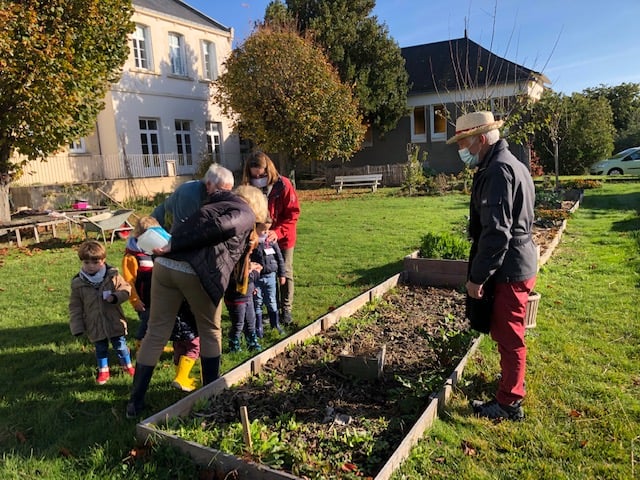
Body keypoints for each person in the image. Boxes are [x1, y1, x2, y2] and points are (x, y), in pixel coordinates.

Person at [126, 185, 268, 418]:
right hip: (195, 271)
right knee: (210, 330)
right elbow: (222, 229)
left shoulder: (213, 203)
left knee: (155, 332)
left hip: (164, 266)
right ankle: (211, 395)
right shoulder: (244, 214)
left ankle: (135, 401)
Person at [447, 111, 537, 421]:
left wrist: (478, 278)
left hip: (510, 266)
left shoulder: (499, 170)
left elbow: (497, 232)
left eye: (465, 143)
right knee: (506, 331)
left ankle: (510, 402)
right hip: (518, 259)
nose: (463, 150)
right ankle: (511, 384)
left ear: (482, 139)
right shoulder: (514, 164)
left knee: (510, 335)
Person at [122, 215, 199, 392]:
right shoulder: (133, 255)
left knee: (171, 332)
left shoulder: (158, 250)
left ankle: (175, 370)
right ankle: (142, 352)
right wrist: (135, 300)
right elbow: (129, 280)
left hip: (165, 299)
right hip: (146, 300)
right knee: (147, 326)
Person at [242, 152, 300, 326]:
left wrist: (278, 232)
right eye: (254, 176)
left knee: (284, 272)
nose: (258, 178)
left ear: (269, 169)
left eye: (261, 175)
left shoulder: (284, 185)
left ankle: (286, 310)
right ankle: (270, 309)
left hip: (282, 238)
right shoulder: (248, 187)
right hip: (257, 238)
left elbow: (293, 214)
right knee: (263, 272)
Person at [69, 240, 133, 385]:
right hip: (94, 322)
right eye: (86, 262)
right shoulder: (78, 283)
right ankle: (103, 370)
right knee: (100, 347)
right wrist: (77, 326)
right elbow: (75, 306)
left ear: (103, 260)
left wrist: (116, 297)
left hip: (114, 320)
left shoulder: (112, 276)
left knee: (120, 344)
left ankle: (127, 366)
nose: (90, 266)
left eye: (95, 262)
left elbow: (126, 289)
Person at [251, 217, 286, 336]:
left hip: (271, 276)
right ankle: (258, 327)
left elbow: (280, 258)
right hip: (257, 278)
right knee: (257, 301)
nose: (266, 233)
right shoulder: (253, 243)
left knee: (272, 300)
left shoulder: (271, 241)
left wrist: (282, 274)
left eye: (268, 230)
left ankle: (275, 324)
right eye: (263, 230)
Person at [225, 247, 262, 352]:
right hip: (236, 301)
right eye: (249, 252)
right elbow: (244, 279)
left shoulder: (245, 262)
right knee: (238, 323)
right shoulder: (235, 266)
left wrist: (252, 288)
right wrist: (256, 272)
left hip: (248, 298)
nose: (251, 253)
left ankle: (252, 342)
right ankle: (234, 343)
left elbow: (249, 281)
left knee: (251, 321)